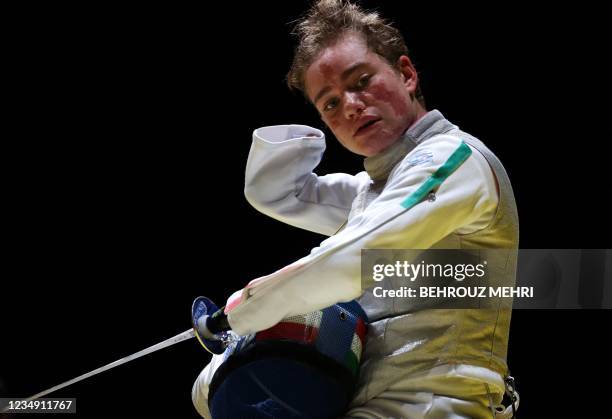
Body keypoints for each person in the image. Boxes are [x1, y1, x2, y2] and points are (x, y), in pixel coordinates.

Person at [192, 0, 519, 417]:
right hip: (367, 402)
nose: (349, 105)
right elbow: (281, 193)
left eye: (361, 81)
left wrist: (240, 313)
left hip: (435, 403)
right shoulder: (377, 189)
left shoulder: (453, 160)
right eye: (329, 103)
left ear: (406, 73)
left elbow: (351, 258)